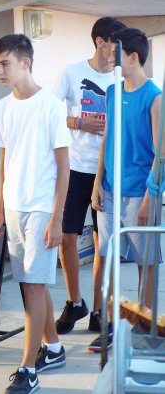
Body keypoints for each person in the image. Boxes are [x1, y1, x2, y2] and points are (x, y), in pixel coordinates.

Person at [0, 34, 70, 393]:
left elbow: (63, 167)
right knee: (30, 282)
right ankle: (53, 348)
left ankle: (28, 370)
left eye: (5, 64)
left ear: (25, 63)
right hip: (14, 206)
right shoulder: (1, 108)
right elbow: (4, 160)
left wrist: (57, 218)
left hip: (41, 208)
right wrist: (0, 209)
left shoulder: (51, 105)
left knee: (33, 286)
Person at [89, 28, 162, 352]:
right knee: (108, 259)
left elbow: (161, 154)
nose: (108, 57)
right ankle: (108, 327)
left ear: (133, 57)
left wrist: (150, 196)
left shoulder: (155, 97)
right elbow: (107, 138)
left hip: (139, 193)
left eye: (114, 54)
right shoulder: (113, 92)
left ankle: (143, 326)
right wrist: (96, 183)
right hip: (110, 190)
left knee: (145, 263)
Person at [54, 17, 126, 335]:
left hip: (108, 171)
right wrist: (78, 123)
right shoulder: (72, 72)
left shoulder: (121, 77)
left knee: (102, 244)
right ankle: (75, 302)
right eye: (114, 44)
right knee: (66, 236)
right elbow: (50, 111)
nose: (118, 52)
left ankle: (99, 309)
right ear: (100, 41)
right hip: (74, 168)